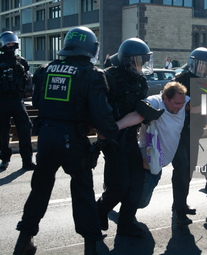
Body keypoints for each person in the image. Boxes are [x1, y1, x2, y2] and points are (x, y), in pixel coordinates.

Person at [13, 26, 120, 255]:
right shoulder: (92, 74)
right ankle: (91, 247)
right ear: (91, 47)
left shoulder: (45, 70)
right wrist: (113, 134)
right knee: (82, 194)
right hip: (73, 140)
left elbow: (37, 102)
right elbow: (102, 115)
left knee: (39, 189)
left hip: (46, 137)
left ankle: (24, 241)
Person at [96, 38, 156, 237]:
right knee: (119, 186)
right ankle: (100, 210)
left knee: (137, 183)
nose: (141, 65)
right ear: (126, 61)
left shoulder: (140, 81)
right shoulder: (109, 78)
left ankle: (126, 223)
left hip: (130, 137)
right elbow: (97, 110)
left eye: (144, 61)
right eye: (137, 61)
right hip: (112, 139)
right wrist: (104, 132)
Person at [116, 81, 190, 208]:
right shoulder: (156, 102)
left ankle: (115, 191)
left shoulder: (182, 102)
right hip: (146, 167)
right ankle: (112, 201)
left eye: (182, 103)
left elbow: (199, 108)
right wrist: (113, 128)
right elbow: (138, 115)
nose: (180, 107)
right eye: (177, 103)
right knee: (139, 202)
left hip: (158, 167)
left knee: (136, 201)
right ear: (166, 98)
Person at [172, 47, 207, 225]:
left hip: (195, 131)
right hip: (179, 133)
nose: (203, 70)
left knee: (189, 171)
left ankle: (180, 204)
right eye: (201, 66)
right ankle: (179, 211)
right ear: (192, 63)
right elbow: (176, 105)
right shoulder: (181, 79)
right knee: (181, 170)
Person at [0, 31, 35, 170]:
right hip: (2, 100)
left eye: (12, 43)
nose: (10, 45)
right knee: (2, 131)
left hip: (17, 99)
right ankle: (5, 158)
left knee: (25, 128)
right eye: (8, 43)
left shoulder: (21, 61)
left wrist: (25, 76)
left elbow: (28, 79)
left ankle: (27, 160)